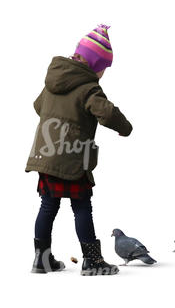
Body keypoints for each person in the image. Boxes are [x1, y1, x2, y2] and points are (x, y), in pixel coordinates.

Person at [26, 24, 132, 276]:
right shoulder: (88, 87)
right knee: (82, 207)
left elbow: (38, 106)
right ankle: (92, 261)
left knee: (48, 206)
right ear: (96, 65)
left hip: (46, 157)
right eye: (104, 68)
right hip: (73, 160)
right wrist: (124, 127)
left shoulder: (53, 81)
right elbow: (106, 112)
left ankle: (41, 260)